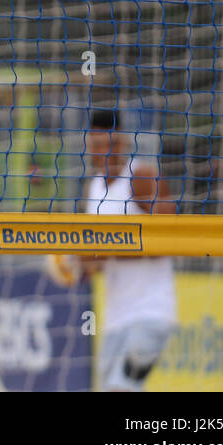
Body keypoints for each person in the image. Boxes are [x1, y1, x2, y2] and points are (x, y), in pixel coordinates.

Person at [82, 108, 178, 391]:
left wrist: (106, 250)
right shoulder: (94, 188)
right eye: (96, 145)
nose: (103, 152)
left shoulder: (141, 176)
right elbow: (95, 259)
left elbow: (168, 240)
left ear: (122, 142)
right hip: (115, 319)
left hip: (150, 313)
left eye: (108, 144)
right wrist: (81, 264)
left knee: (120, 389)